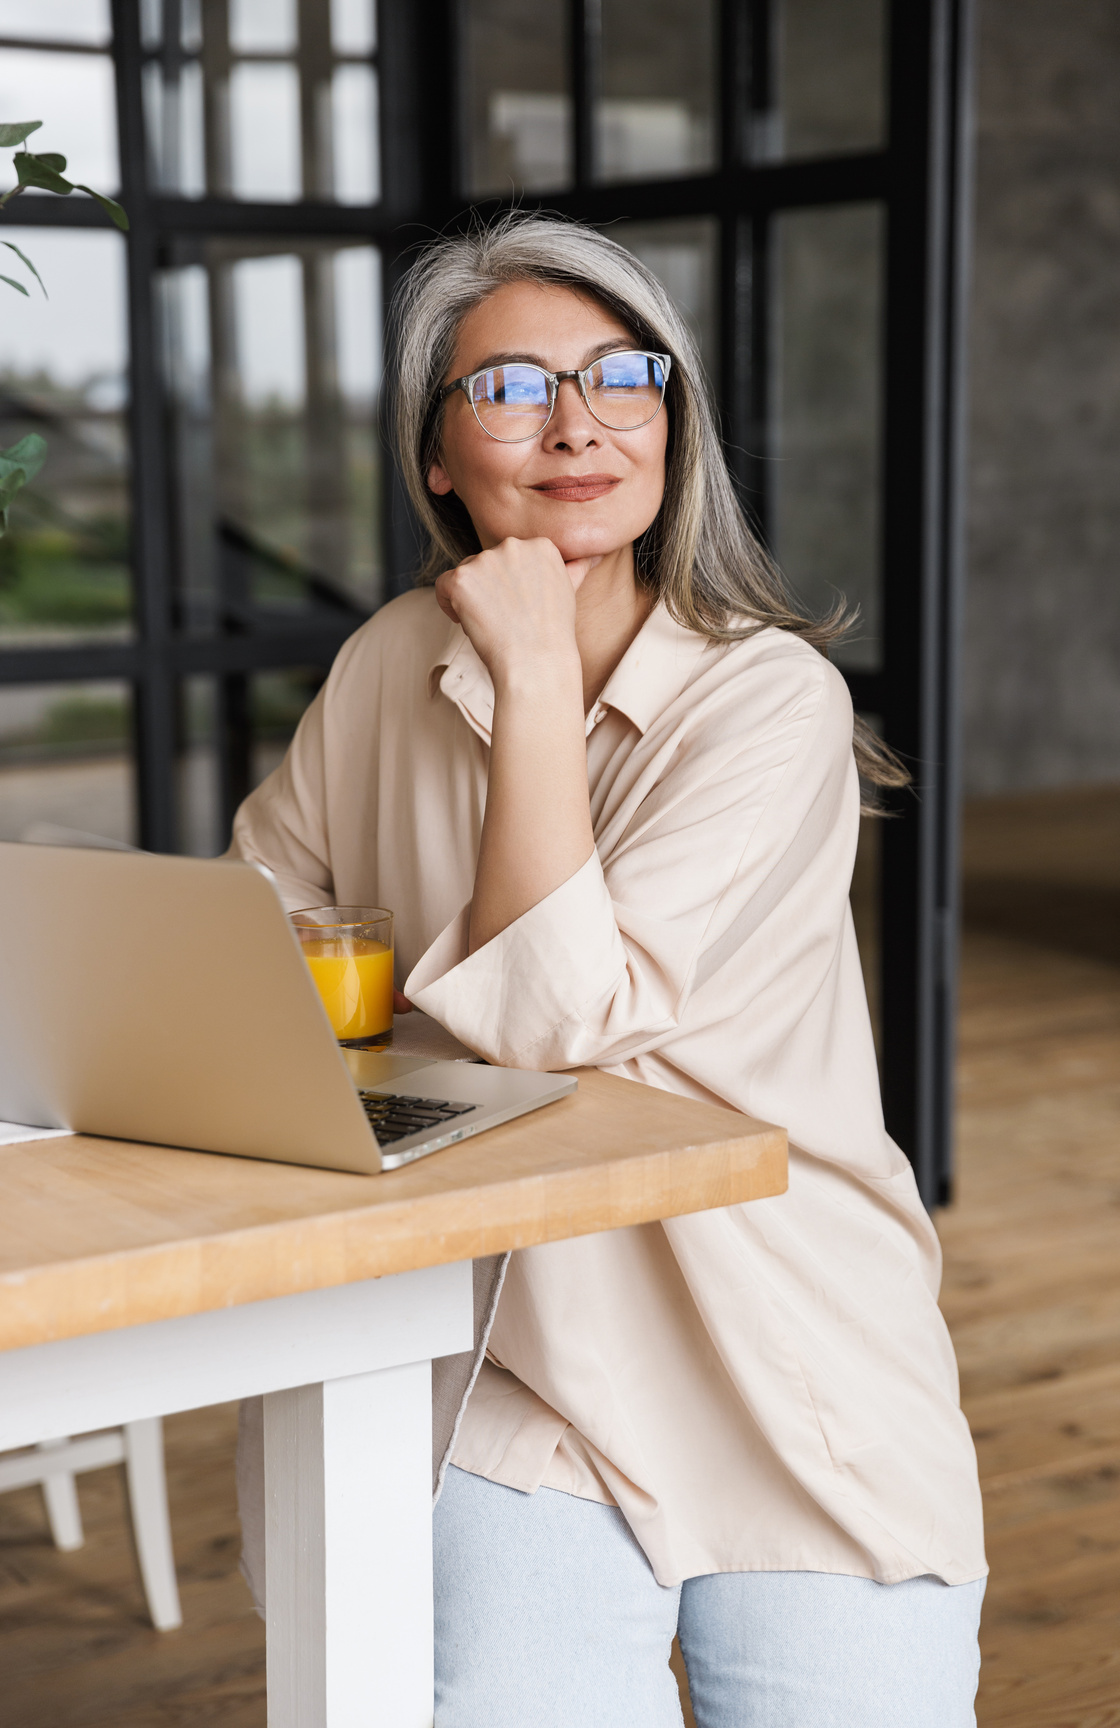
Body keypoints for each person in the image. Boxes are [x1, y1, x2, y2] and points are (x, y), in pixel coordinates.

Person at [229, 213, 986, 1727]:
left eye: (623, 375)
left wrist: (526, 669)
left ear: (672, 422)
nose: (577, 422)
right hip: (503, 1345)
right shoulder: (386, 665)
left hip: (778, 1343)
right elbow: (258, 943)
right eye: (509, 386)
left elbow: (555, 1022)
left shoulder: (768, 701)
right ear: (437, 455)